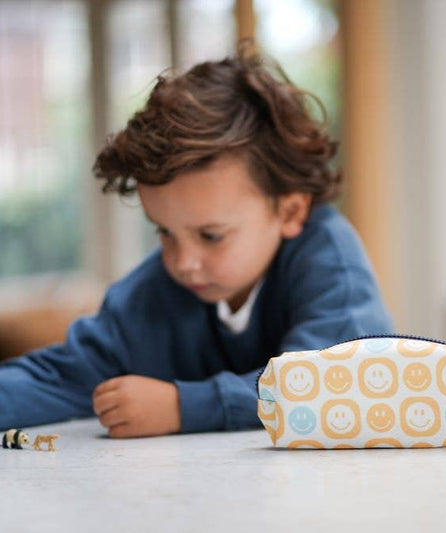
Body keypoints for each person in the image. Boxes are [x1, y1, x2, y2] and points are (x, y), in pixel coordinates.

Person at [0, 43, 393, 437]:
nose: (183, 261)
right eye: (165, 231)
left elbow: (335, 383)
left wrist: (182, 407)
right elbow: (60, 377)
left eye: (211, 235)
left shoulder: (328, 259)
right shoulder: (157, 290)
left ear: (289, 213)